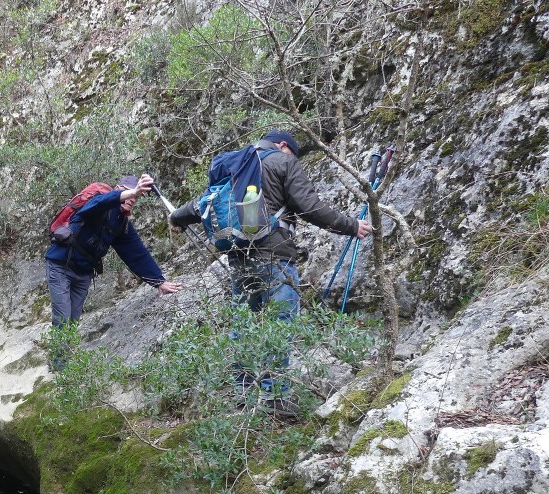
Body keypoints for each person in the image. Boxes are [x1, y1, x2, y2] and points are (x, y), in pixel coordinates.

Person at [169, 130, 372, 417]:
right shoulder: (282, 161)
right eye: (293, 152)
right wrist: (351, 226)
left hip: (238, 259)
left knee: (244, 325)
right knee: (281, 322)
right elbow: (310, 207)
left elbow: (202, 203)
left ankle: (244, 392)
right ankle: (276, 398)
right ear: (283, 146)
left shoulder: (237, 164)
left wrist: (176, 217)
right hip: (274, 256)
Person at [45, 173, 182, 336]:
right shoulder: (97, 203)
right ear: (117, 191)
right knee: (62, 320)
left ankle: (63, 360)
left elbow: (137, 254)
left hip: (83, 274)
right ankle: (60, 362)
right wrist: (134, 191)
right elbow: (101, 202)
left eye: (136, 197)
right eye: (127, 192)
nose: (132, 199)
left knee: (72, 323)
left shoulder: (121, 224)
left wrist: (159, 282)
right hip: (60, 267)